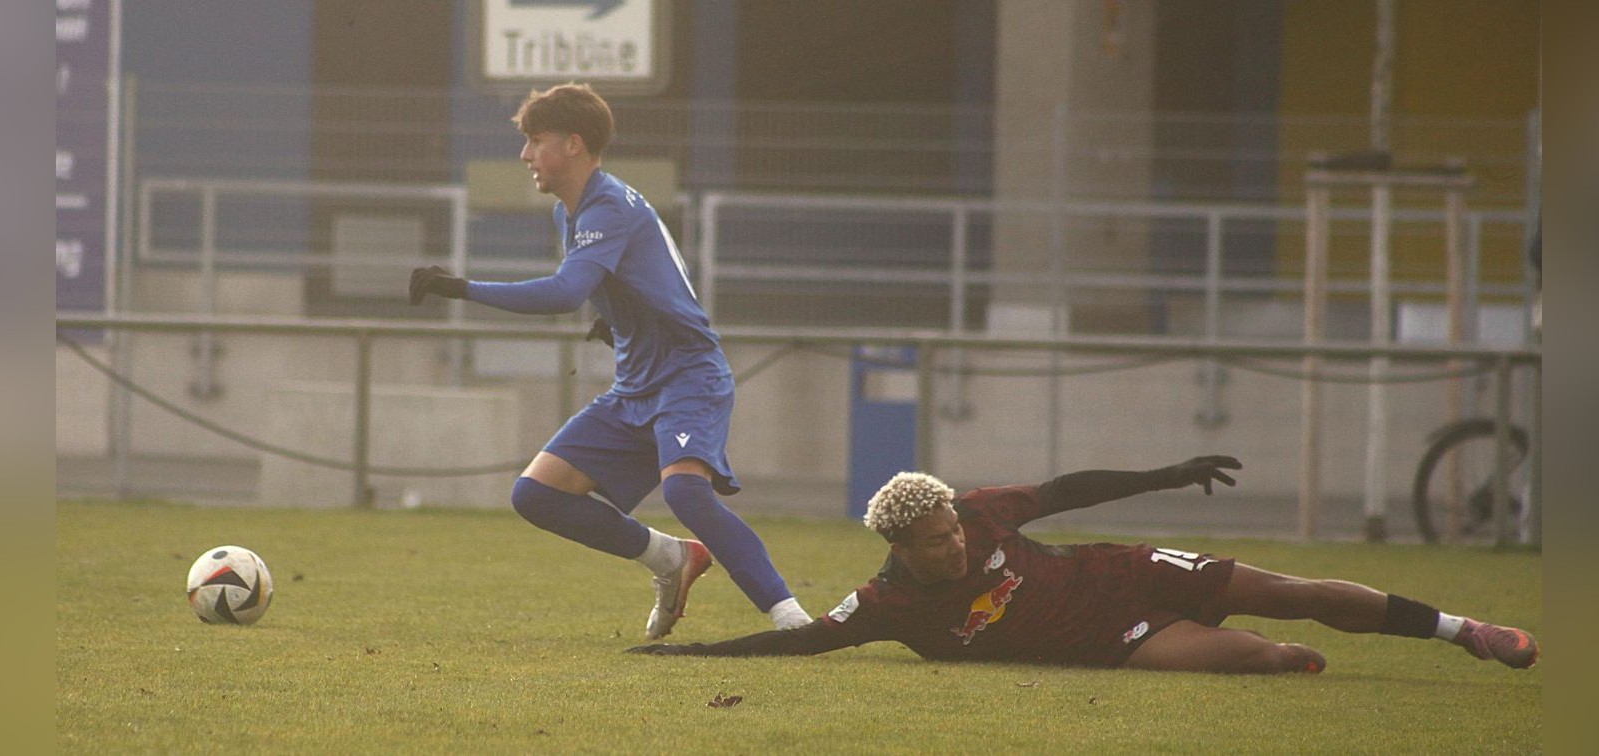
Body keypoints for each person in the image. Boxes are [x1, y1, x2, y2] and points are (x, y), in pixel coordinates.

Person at [409, 82, 810, 639]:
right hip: (636, 384)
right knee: (536, 495)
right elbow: (629, 278)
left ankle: (791, 618)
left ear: (573, 144)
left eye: (536, 141)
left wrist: (459, 288)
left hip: (688, 374)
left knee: (685, 491)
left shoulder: (607, 205)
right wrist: (619, 316)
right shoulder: (573, 211)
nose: (526, 155)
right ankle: (671, 559)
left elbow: (563, 293)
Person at [628, 456, 1539, 673]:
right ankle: (1277, 653)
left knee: (1295, 592)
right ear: (902, 549)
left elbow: (1064, 494)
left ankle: (1467, 632)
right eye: (939, 539)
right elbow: (803, 645)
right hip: (1121, 639)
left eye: (954, 527)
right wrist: (692, 659)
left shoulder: (982, 510)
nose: (956, 541)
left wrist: (1168, 475)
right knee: (1267, 660)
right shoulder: (887, 604)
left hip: (1131, 570)